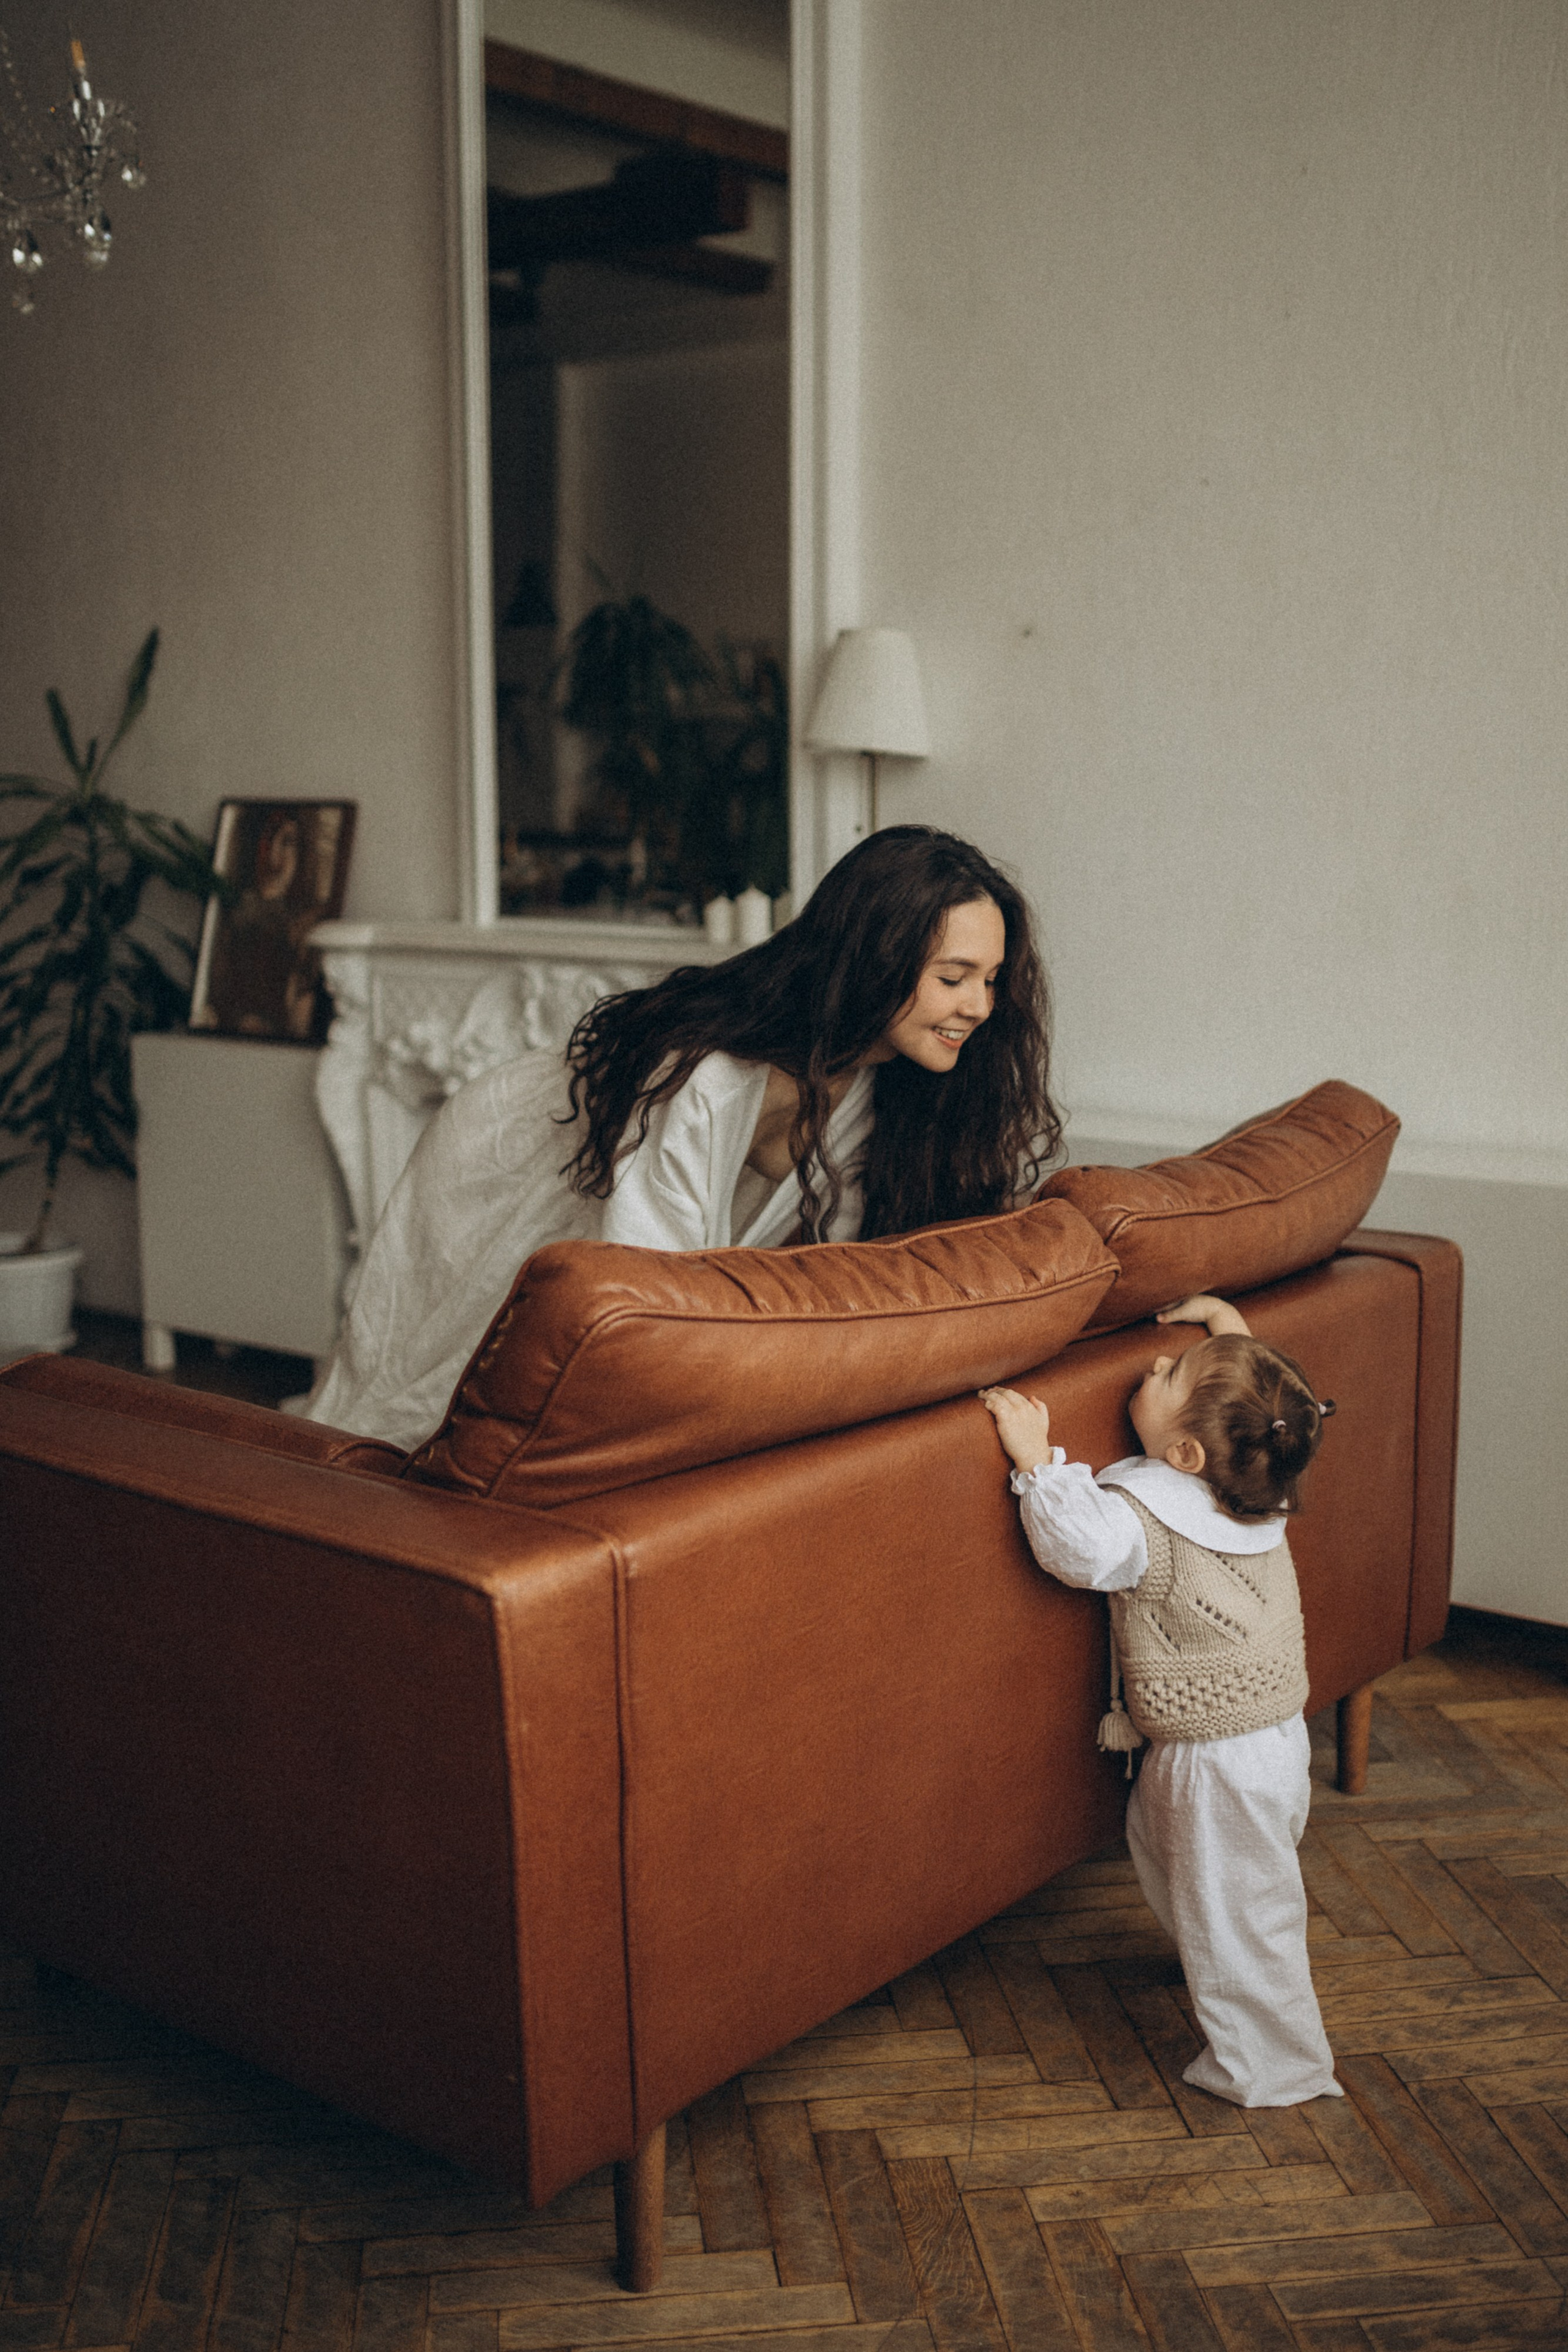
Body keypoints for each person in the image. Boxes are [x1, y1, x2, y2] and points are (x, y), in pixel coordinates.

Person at [307, 827, 1062, 1450]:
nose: (981, 1006)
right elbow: (647, 1288)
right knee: (419, 1377)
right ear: (877, 959)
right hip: (505, 1151)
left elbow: (843, 1273)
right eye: (954, 976)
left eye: (991, 979)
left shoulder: (882, 1085)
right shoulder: (706, 1077)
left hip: (606, 1194)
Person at [979, 1294, 1342, 2108]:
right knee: (1174, 1856)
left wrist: (1036, 1461)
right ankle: (1210, 1946)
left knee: (1243, 1912)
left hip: (1215, 1759)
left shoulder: (1148, 1522)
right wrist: (1230, 1334)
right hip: (1274, 1736)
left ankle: (1276, 2068)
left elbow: (1079, 1549)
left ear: (1183, 1451)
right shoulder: (1263, 1481)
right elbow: (1262, 1413)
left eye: (1169, 1374)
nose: (1153, 1364)